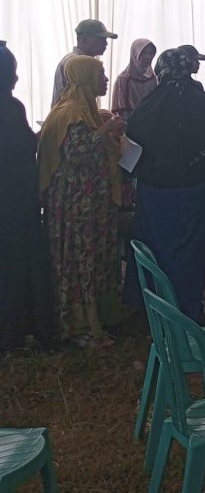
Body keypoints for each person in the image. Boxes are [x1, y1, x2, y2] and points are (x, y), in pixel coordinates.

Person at [125, 48, 205, 324]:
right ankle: (187, 308)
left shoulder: (148, 104)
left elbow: (131, 144)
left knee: (154, 245)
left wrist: (127, 180)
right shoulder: (203, 102)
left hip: (152, 190)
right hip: (190, 188)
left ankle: (152, 305)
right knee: (188, 249)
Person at [39, 56, 125, 346]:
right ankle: (81, 327)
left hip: (87, 204)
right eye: (100, 74)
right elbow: (78, 154)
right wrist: (107, 130)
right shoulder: (71, 112)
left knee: (91, 258)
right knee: (80, 260)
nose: (106, 80)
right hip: (77, 207)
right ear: (85, 77)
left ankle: (96, 317)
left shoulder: (83, 110)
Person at [0, 42, 55, 351]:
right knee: (15, 267)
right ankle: (15, 331)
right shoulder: (10, 108)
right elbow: (21, 150)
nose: (17, 79)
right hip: (14, 202)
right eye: (12, 72)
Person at [52, 19, 117, 107]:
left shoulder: (82, 63)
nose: (106, 44)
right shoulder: (75, 63)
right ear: (84, 39)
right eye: (100, 39)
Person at [111, 38, 157, 119]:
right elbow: (120, 109)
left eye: (150, 53)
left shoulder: (152, 79)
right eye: (143, 53)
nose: (148, 57)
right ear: (135, 54)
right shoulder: (123, 79)